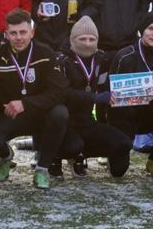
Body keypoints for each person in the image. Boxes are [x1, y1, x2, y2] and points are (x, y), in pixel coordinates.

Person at [0, 8, 72, 189]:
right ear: (6, 34)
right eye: (13, 33)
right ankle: (6, 156)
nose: (19, 37)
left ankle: (42, 169)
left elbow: (60, 92)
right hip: (7, 115)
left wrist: (25, 103)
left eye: (23, 32)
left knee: (60, 113)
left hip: (39, 115)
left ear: (32, 32)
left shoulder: (45, 54)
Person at [56, 16, 132, 178]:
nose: (87, 43)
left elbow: (107, 86)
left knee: (124, 144)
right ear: (72, 39)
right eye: (82, 39)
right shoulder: (62, 60)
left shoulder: (101, 59)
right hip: (65, 124)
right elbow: (63, 94)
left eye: (92, 39)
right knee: (74, 145)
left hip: (87, 122)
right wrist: (95, 98)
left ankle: (82, 154)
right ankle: (60, 157)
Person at [109, 11, 153, 177]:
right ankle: (116, 153)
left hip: (152, 112)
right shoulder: (124, 56)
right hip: (125, 116)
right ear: (142, 30)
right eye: (151, 29)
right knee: (118, 171)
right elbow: (111, 91)